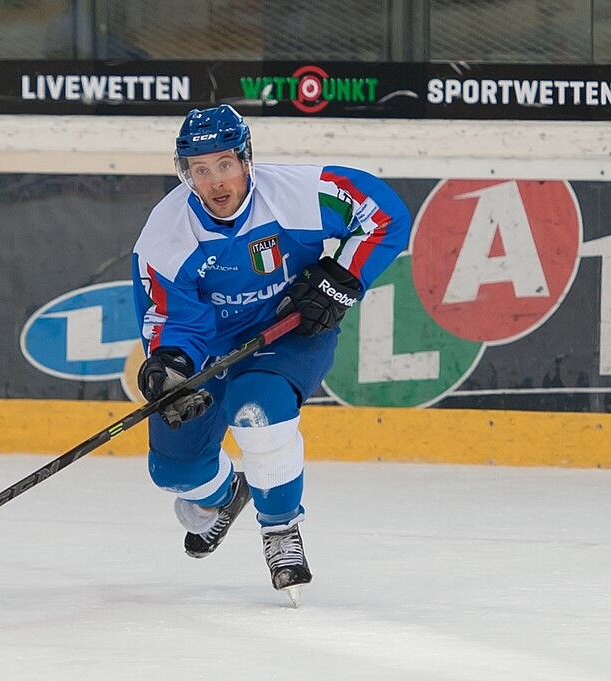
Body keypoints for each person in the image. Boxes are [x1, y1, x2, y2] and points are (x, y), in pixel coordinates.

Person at [131, 104, 411, 603]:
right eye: (200, 169)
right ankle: (228, 494)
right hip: (212, 350)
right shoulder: (166, 234)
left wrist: (342, 277)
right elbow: (173, 321)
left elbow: (383, 214)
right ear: (185, 173)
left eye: (224, 164)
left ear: (246, 160)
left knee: (257, 411)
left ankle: (280, 528)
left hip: (288, 332)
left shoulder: (297, 195)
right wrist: (171, 367)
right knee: (174, 472)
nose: (215, 181)